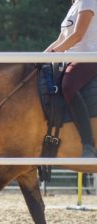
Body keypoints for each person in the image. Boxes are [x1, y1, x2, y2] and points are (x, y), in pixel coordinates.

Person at [45, 0, 97, 157]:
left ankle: (88, 145)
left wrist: (54, 53)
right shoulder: (75, 5)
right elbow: (61, 38)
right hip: (70, 58)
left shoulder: (89, 1)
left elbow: (78, 35)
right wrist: (41, 57)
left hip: (88, 58)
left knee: (68, 85)